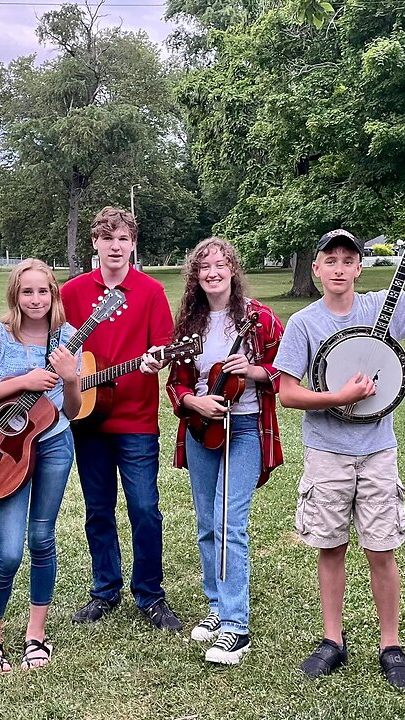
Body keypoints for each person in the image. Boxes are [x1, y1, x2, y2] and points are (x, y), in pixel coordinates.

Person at [272, 219, 405, 687]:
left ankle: (390, 646)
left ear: (359, 267)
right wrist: (337, 398)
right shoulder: (304, 323)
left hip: (378, 449)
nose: (339, 268)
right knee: (331, 547)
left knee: (381, 549)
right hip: (327, 451)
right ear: (316, 268)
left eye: (348, 260)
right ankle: (332, 640)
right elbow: (288, 393)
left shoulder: (385, 305)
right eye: (330, 261)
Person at [59, 206, 184, 631]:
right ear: (94, 242)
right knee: (98, 509)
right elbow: (56, 349)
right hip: (87, 418)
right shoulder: (72, 292)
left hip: (136, 419)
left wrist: (155, 363)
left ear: (133, 244)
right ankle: (104, 590)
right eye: (107, 238)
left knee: (145, 508)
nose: (115, 246)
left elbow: (164, 349)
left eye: (123, 238)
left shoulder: (149, 291)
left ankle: (150, 594)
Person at [0, 258, 82, 672]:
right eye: (27, 291)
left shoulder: (65, 339)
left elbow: (74, 409)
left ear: (53, 294)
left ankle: (35, 635)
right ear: (15, 294)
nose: (35, 299)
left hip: (54, 446)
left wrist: (69, 379)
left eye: (42, 291)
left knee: (42, 540)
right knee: (9, 552)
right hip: (6, 451)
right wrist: (23, 381)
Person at [165, 237, 285, 665]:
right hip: (201, 429)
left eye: (221, 264)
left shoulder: (260, 318)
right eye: (204, 267)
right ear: (195, 276)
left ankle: (237, 626)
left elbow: (287, 369)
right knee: (204, 521)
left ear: (233, 269)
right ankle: (216, 608)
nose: (213, 272)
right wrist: (192, 401)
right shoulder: (190, 324)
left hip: (246, 427)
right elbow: (176, 382)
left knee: (229, 521)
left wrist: (253, 371)